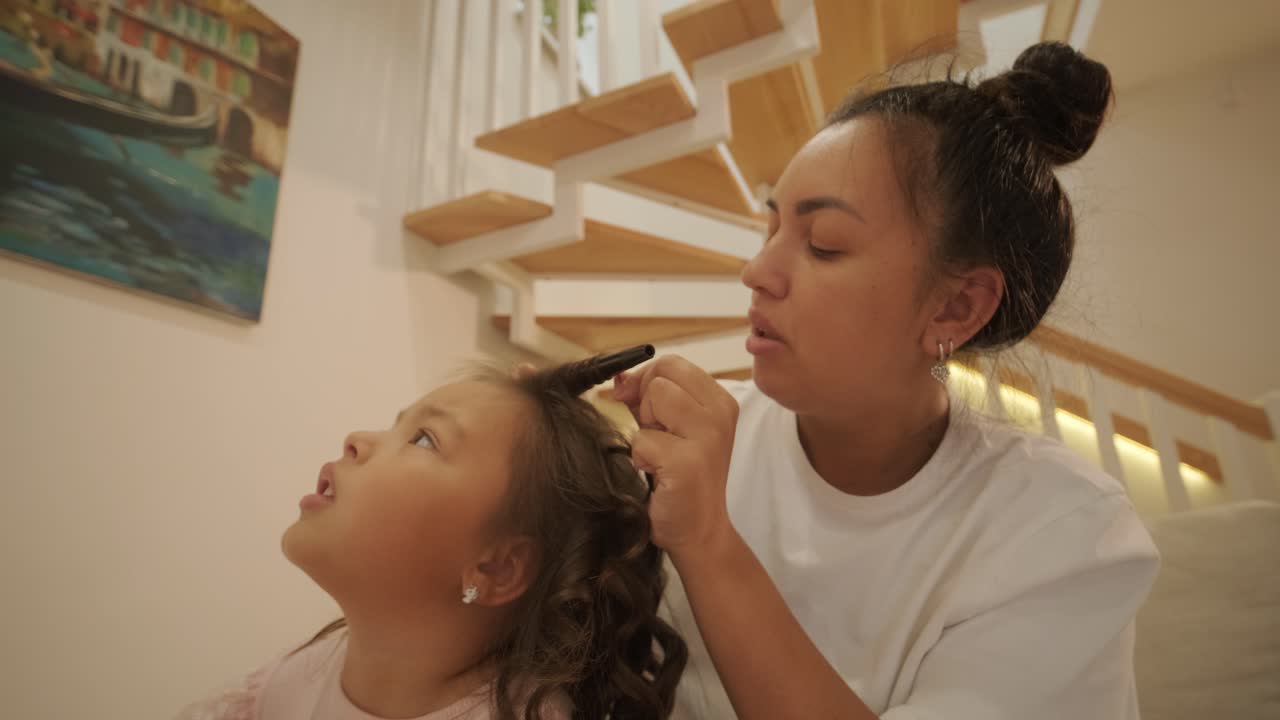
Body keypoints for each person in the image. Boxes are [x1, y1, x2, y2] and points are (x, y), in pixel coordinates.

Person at [612, 42, 1160, 719]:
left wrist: (707, 542)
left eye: (823, 245)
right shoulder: (707, 441)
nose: (756, 273)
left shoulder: (1064, 533)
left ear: (955, 308)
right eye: (770, 228)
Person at [175, 361, 687, 720]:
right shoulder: (289, 686)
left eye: (423, 439)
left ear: (495, 568)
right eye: (398, 426)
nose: (357, 439)